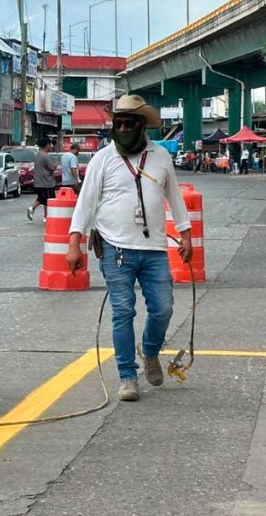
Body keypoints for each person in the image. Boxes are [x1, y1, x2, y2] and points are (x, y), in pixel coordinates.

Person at [66, 95, 193, 402]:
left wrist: (186, 234)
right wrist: (74, 243)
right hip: (114, 248)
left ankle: (149, 350)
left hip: (154, 249)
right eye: (118, 123)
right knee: (123, 311)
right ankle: (127, 377)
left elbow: (175, 199)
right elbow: (85, 203)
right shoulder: (102, 159)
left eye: (129, 123)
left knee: (163, 308)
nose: (122, 128)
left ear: (141, 125)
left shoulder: (161, 156)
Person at [27, 138, 58, 222]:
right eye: (50, 144)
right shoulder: (46, 156)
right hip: (47, 182)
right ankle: (46, 216)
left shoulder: (38, 155)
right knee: (48, 200)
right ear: (47, 145)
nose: (51, 146)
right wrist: (55, 164)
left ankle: (33, 209)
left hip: (38, 181)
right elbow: (52, 168)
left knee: (42, 198)